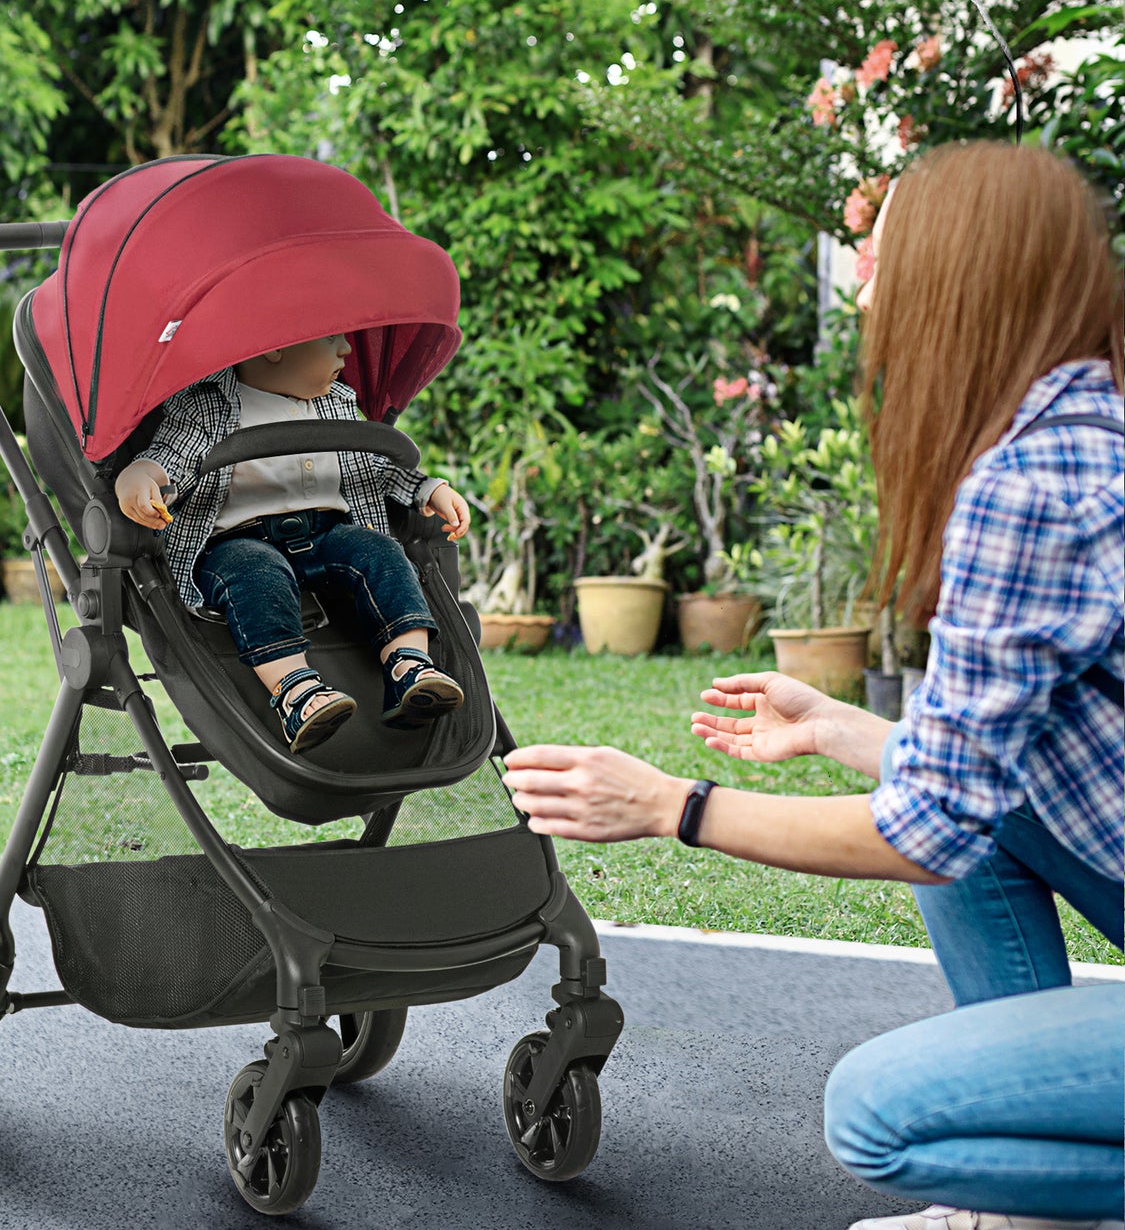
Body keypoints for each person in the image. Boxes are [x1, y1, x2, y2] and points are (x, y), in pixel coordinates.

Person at [501, 141, 1123, 1229]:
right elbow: (982, 773)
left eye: (881, 268)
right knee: (962, 802)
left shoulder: (1029, 485)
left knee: (879, 1114)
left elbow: (925, 829)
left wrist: (671, 806)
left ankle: (1031, 1199)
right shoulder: (1084, 431)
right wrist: (840, 727)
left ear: (960, 281)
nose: (867, 298)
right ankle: (1017, 1212)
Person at [114, 332, 472, 753]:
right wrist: (138, 478)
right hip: (238, 541)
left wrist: (427, 489)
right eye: (331, 339)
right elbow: (169, 458)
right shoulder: (209, 405)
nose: (347, 350)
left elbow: (375, 466)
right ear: (274, 346)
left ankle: (409, 667)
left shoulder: (337, 402)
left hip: (327, 533)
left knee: (381, 551)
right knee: (255, 574)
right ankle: (296, 692)